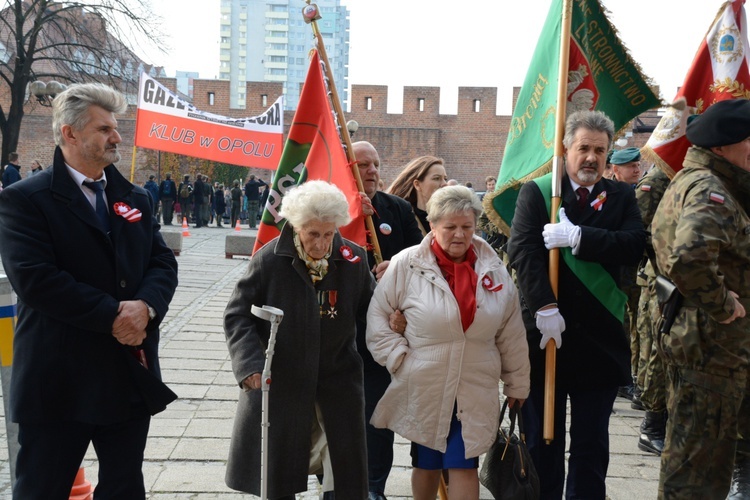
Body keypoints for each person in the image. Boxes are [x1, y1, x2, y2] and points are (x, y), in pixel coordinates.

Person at [0, 82, 179, 498]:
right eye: (104, 129)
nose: (116, 137)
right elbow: (36, 279)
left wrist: (147, 308)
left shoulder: (134, 197)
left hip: (126, 371)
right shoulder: (26, 200)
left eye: (115, 128)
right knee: (42, 488)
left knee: (123, 487)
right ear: (70, 133)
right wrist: (116, 315)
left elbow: (162, 262)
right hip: (58, 379)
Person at [507, 110, 646, 499]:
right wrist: (544, 308)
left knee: (591, 445)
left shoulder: (621, 196)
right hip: (546, 337)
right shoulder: (538, 192)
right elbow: (525, 253)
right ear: (566, 147)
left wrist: (580, 237)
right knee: (541, 441)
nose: (591, 158)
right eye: (583, 148)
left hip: (599, 339)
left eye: (599, 151)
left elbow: (635, 244)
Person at [367, 185, 530, 500]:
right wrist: (399, 358)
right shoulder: (407, 264)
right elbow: (377, 319)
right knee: (427, 464)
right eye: (450, 227)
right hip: (426, 380)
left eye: (467, 227)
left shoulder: (493, 267)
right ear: (432, 225)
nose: (460, 234)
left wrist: (517, 383)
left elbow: (510, 331)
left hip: (474, 383)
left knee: (463, 463)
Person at [224, 180, 375, 499]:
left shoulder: (353, 260)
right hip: (282, 385)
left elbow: (373, 313)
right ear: (296, 226)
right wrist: (250, 365)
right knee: (278, 476)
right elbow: (238, 315)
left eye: (329, 234)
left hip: (338, 384)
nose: (321, 244)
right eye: (312, 234)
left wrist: (395, 315)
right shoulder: (269, 260)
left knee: (343, 477)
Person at [651, 98, 750, 499]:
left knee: (696, 465)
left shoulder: (696, 180)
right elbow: (689, 259)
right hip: (710, 349)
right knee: (696, 475)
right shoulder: (710, 190)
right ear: (723, 147)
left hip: (705, 347)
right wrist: (724, 304)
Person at [352, 141, 424, 500]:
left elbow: (424, 261)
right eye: (363, 164)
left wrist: (396, 268)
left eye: (376, 164)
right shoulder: (334, 210)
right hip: (343, 332)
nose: (372, 171)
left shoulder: (396, 209)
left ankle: (374, 486)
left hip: (386, 334)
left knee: (378, 416)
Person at [633, 165, 672, 456]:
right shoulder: (658, 177)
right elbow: (638, 231)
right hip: (662, 279)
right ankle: (652, 425)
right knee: (656, 350)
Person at [387, 155, 448, 235]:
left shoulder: (452, 216)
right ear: (417, 185)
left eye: (445, 179)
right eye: (436, 178)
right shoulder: (402, 218)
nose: (444, 184)